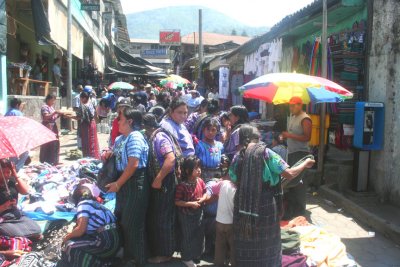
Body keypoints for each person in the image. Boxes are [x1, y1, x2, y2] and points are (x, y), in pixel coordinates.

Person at [230, 125, 315, 267]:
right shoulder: (266, 153)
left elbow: (232, 178)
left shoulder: (238, 156)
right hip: (265, 202)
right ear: (257, 138)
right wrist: (305, 163)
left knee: (245, 236)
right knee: (267, 237)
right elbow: (289, 174)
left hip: (242, 201)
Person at [103, 108, 149, 265]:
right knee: (122, 219)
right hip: (124, 182)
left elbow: (133, 164)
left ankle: (139, 259)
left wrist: (117, 184)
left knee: (132, 222)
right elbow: (119, 158)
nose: (117, 121)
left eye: (120, 119)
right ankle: (127, 256)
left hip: (135, 182)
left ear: (130, 121)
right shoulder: (120, 139)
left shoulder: (135, 137)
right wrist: (109, 154)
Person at [143, 114, 182, 264]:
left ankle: (165, 254)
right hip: (162, 181)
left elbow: (170, 159)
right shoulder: (156, 136)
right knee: (160, 217)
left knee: (163, 218)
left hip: (165, 182)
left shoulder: (159, 138)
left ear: (146, 127)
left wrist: (158, 179)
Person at [57, 185, 120, 267]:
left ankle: (103, 264)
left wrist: (66, 238)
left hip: (107, 241)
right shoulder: (95, 204)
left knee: (70, 245)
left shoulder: (83, 204)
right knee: (82, 243)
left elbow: (80, 230)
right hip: (115, 239)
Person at [281, 96, 312, 220]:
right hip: (292, 152)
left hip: (301, 153)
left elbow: (307, 137)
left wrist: (289, 135)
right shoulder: (293, 117)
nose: (291, 107)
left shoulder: (305, 119)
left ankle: (300, 210)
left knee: (299, 182)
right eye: (290, 105)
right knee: (292, 181)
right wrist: (285, 137)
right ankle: (293, 209)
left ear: (300, 105)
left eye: (294, 105)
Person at [175, 156, 208, 267]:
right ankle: (186, 258)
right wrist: (190, 204)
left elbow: (206, 193)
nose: (199, 170)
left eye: (199, 167)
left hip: (199, 213)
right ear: (188, 171)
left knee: (199, 234)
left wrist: (203, 199)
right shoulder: (182, 186)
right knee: (188, 236)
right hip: (186, 215)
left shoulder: (200, 181)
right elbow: (177, 202)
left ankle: (196, 254)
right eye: (196, 168)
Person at [0, 160, 41, 240]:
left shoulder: (11, 182)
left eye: (8, 172)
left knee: (36, 230)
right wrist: (4, 207)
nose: (6, 175)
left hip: (16, 215)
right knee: (14, 235)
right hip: (3, 218)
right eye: (2, 172)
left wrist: (15, 175)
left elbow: (25, 191)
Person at [206, 177, 237, 267]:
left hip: (219, 221)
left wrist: (219, 181)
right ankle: (234, 264)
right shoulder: (238, 188)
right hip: (231, 222)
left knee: (219, 245)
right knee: (233, 246)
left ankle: (218, 264)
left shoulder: (224, 183)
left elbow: (213, 189)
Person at [67, 92, 100, 159]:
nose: (80, 100)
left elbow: (79, 117)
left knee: (86, 143)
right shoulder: (91, 104)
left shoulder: (83, 106)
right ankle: (94, 156)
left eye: (81, 98)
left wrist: (68, 116)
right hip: (92, 124)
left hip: (86, 126)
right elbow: (95, 115)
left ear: (84, 98)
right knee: (92, 142)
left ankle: (88, 158)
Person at [39, 94, 62, 165]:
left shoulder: (51, 107)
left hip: (53, 127)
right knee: (47, 143)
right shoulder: (44, 107)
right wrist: (55, 113)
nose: (53, 102)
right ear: (48, 100)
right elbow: (46, 117)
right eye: (52, 100)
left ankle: (54, 160)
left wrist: (59, 115)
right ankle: (46, 160)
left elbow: (53, 117)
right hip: (47, 127)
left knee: (54, 143)